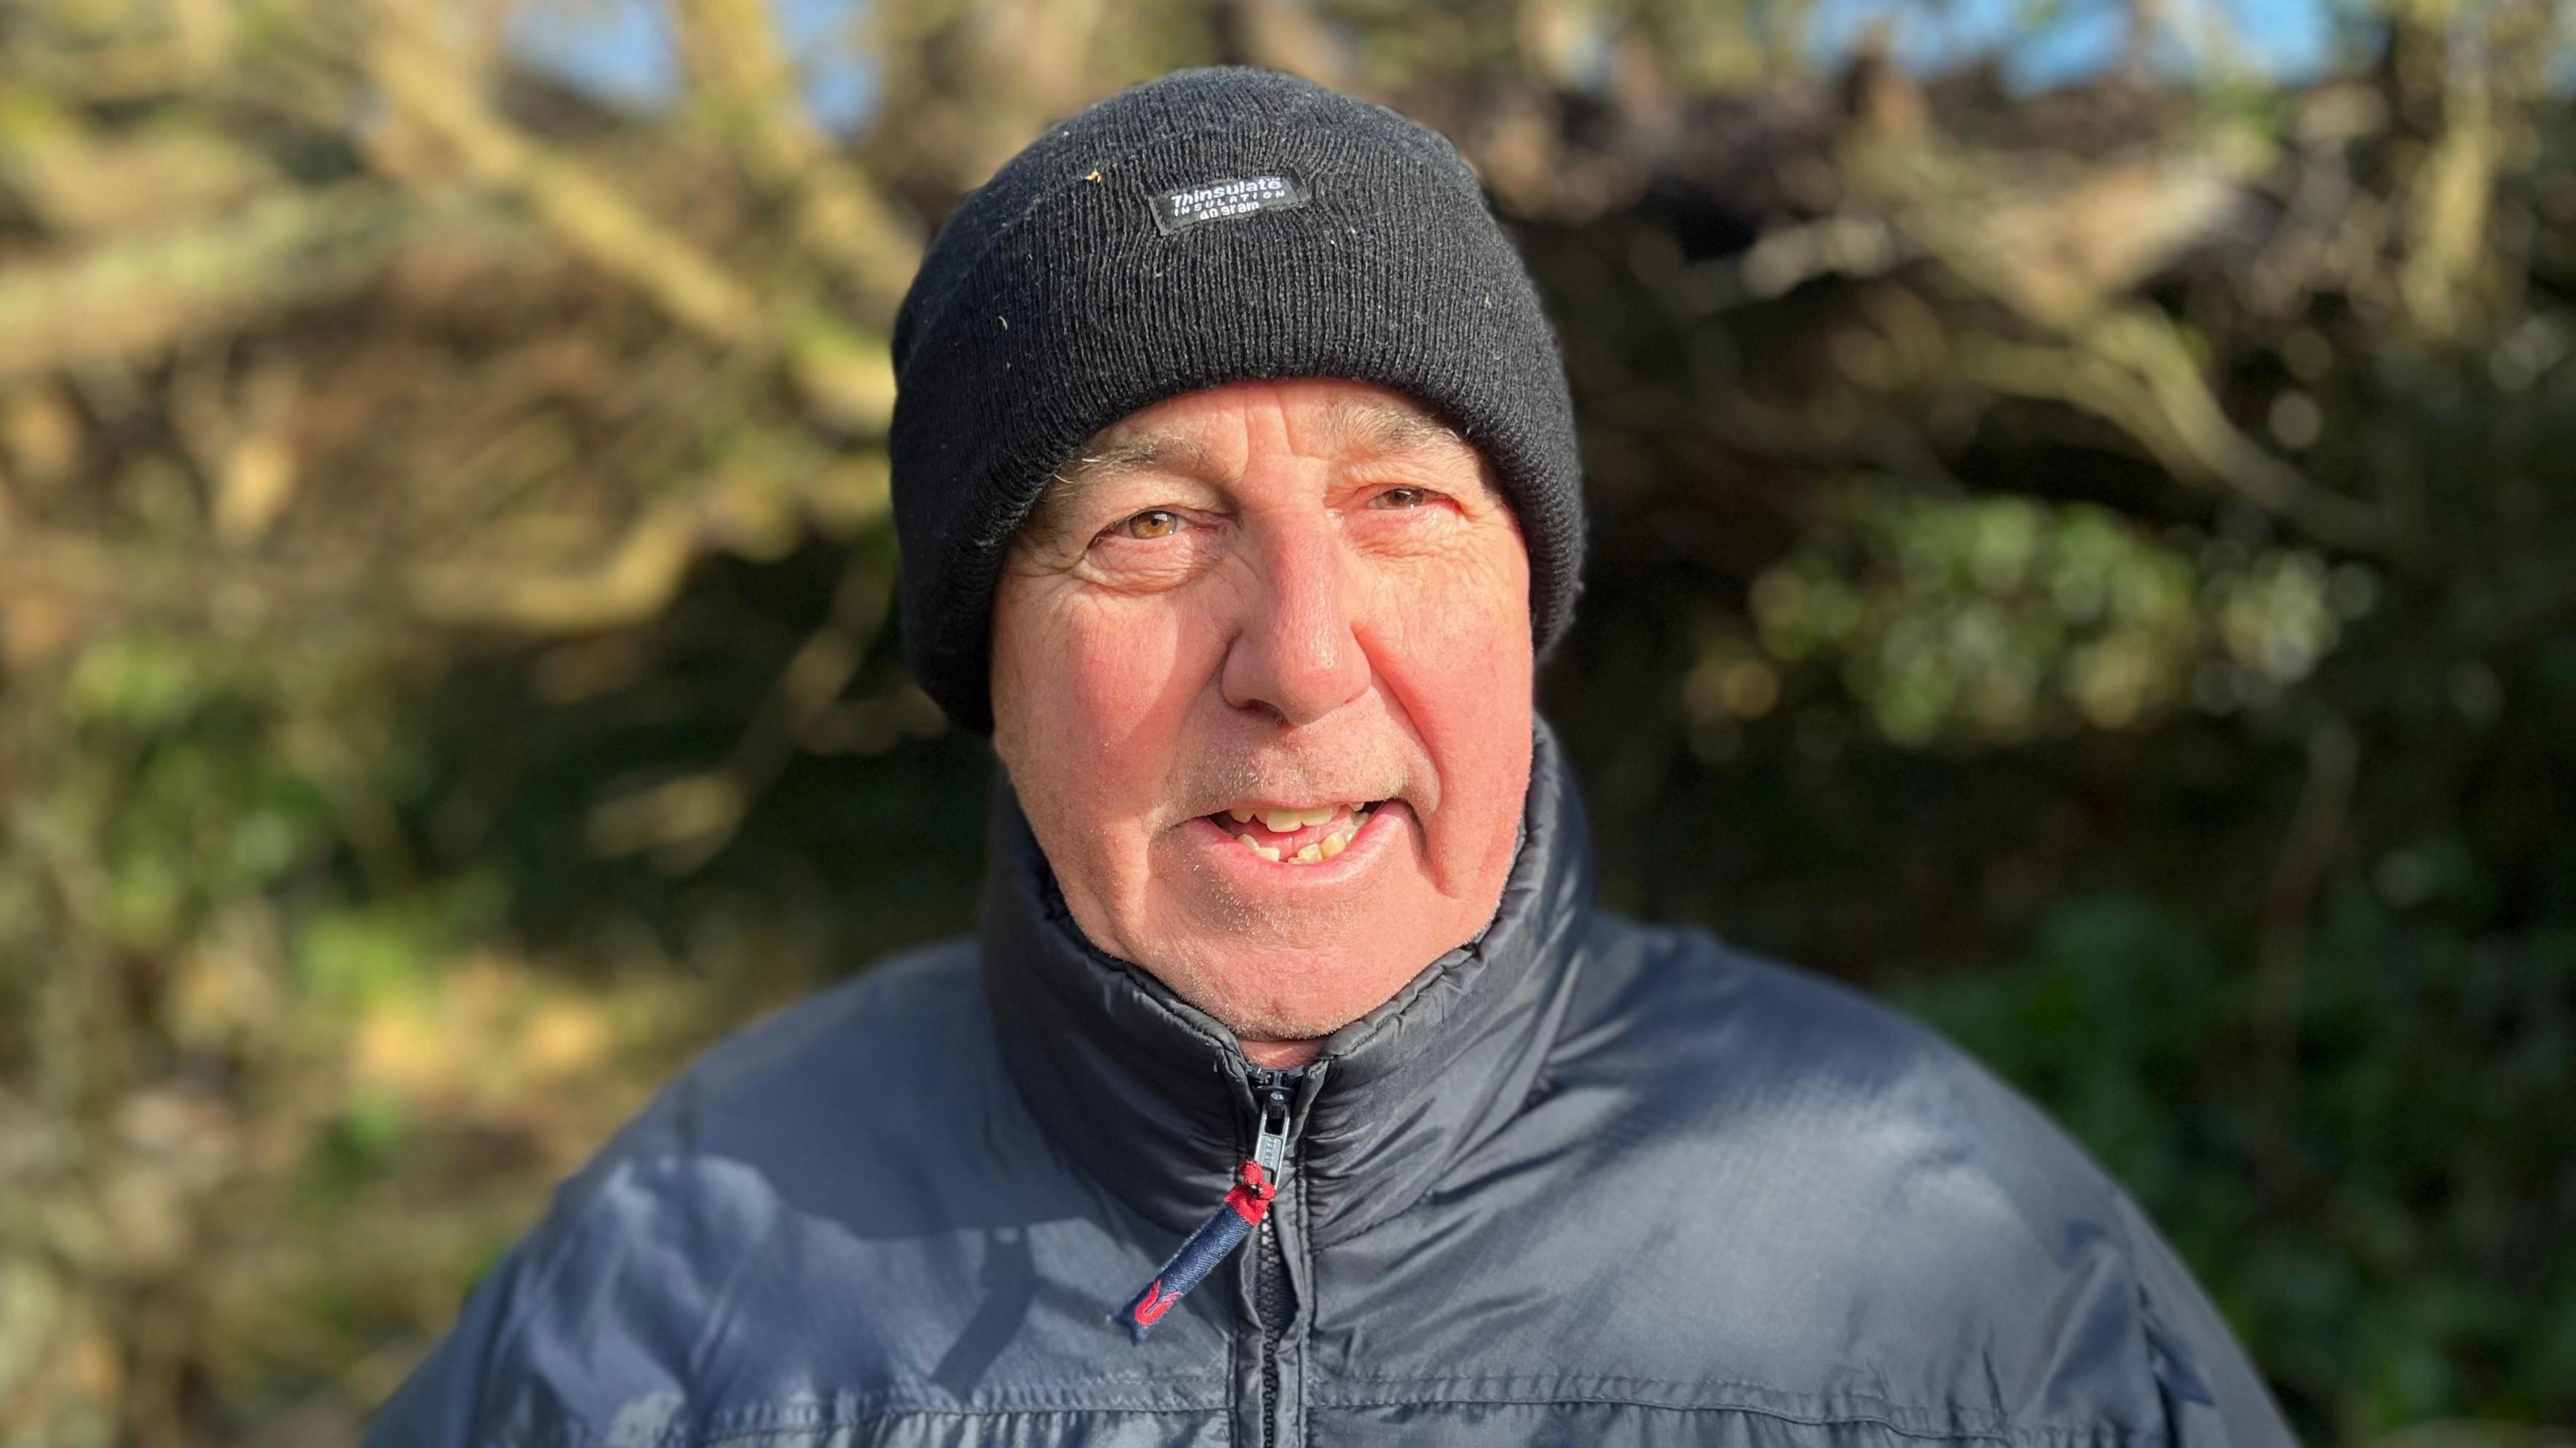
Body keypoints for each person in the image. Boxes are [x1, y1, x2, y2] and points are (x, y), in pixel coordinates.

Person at [366, 66, 2295, 1448]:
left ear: (1527, 596)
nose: (1298, 659)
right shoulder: (679, 1267)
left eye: (1400, 501)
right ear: (989, 660)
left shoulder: (1954, 1251)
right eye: (1148, 530)